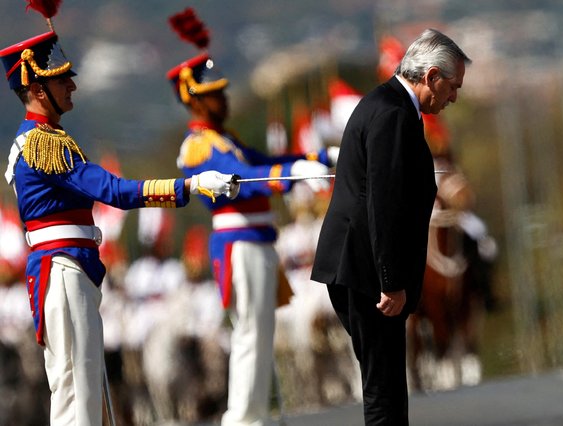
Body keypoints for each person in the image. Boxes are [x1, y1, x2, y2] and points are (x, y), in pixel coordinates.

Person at [0, 10, 240, 425]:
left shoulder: (48, 140)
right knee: (78, 393)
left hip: (72, 265)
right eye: (61, 79)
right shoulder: (43, 144)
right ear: (37, 89)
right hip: (63, 267)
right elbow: (114, 191)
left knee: (84, 388)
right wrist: (191, 185)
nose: (71, 83)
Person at [166, 7, 338, 425]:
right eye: (216, 94)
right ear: (195, 100)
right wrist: (292, 173)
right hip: (238, 242)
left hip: (257, 240)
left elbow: (267, 160)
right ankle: (242, 417)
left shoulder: (226, 140)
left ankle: (253, 414)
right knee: (248, 334)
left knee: (259, 336)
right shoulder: (200, 148)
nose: (224, 99)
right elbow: (243, 178)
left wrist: (316, 157)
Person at [311, 28, 471, 425]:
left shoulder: (391, 106)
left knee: (387, 384)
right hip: (367, 272)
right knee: (383, 390)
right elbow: (383, 203)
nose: (453, 97)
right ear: (432, 76)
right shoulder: (392, 114)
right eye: (452, 87)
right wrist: (391, 280)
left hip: (361, 265)